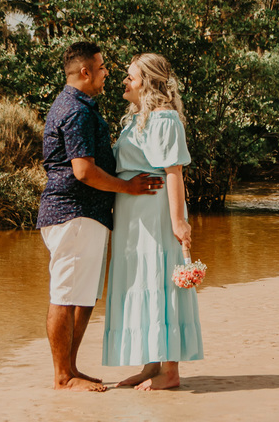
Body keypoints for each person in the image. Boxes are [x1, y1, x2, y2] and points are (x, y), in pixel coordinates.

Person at [38, 42, 163, 392]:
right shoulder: (75, 110)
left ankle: (71, 368)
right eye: (103, 66)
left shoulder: (79, 106)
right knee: (65, 294)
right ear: (85, 72)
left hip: (85, 214)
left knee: (83, 295)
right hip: (73, 211)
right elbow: (83, 170)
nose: (108, 71)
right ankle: (63, 376)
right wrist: (128, 188)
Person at [103, 53, 204, 390]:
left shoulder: (165, 119)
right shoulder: (135, 120)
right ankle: (151, 365)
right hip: (133, 217)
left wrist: (179, 222)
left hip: (157, 212)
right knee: (141, 281)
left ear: (146, 81)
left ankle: (171, 371)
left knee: (161, 280)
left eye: (130, 76)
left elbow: (173, 170)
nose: (124, 81)